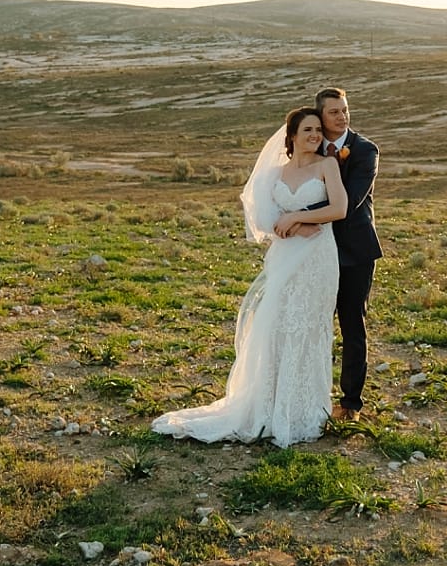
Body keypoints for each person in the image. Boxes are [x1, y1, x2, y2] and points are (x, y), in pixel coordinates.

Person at [151, 106, 347, 448]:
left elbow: (340, 209)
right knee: (277, 324)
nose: (315, 135)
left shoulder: (328, 165)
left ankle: (303, 411)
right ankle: (269, 407)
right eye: (308, 131)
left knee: (309, 327)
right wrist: (295, 224)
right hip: (285, 254)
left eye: (318, 130)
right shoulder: (275, 172)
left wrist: (298, 216)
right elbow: (264, 216)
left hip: (318, 256)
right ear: (292, 136)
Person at [312, 87, 384, 420]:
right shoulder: (306, 149)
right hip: (312, 250)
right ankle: (309, 394)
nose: (342, 117)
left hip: (354, 252)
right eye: (334, 112)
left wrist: (298, 215)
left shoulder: (366, 150)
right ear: (320, 117)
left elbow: (350, 202)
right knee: (311, 323)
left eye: (345, 110)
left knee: (352, 325)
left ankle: (351, 402)